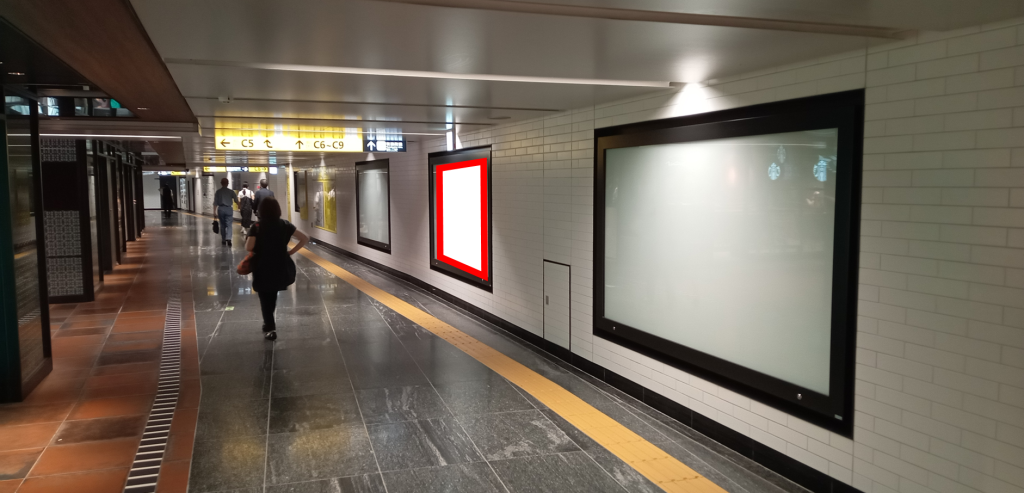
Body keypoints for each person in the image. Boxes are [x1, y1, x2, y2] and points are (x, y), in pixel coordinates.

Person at [246, 197, 308, 340]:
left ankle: (270, 326)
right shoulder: (285, 224)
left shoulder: (257, 226)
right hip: (279, 264)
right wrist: (291, 252)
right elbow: (305, 238)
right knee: (272, 294)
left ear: (261, 210)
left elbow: (249, 247)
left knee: (264, 296)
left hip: (262, 264)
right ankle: (269, 323)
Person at [213, 178, 238, 246]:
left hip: (221, 209)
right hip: (229, 209)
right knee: (229, 225)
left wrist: (214, 212)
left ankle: (223, 239)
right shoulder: (231, 192)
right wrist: (240, 206)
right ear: (228, 183)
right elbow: (236, 200)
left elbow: (215, 202)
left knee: (222, 225)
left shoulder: (218, 192)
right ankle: (229, 239)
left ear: (221, 183)